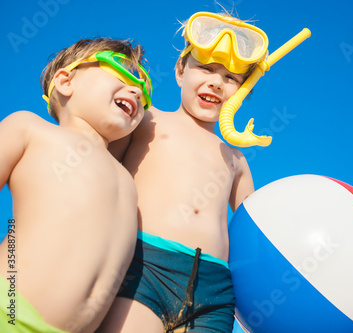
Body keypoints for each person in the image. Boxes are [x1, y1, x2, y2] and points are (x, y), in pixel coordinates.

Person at [97, 11, 270, 333]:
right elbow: (100, 173)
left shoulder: (236, 159)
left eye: (231, 78)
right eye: (205, 68)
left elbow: (257, 231)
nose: (217, 82)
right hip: (144, 266)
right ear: (180, 71)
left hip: (214, 289)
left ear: (243, 92)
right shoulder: (147, 120)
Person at [0, 37, 152, 332]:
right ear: (66, 82)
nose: (137, 89)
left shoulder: (127, 181)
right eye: (122, 71)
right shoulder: (31, 130)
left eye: (145, 88)